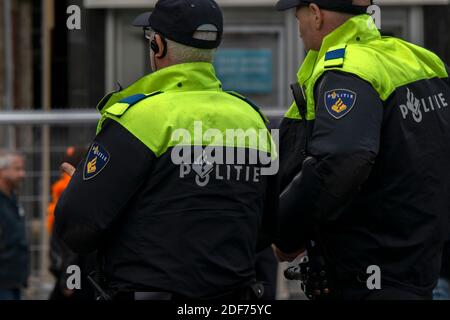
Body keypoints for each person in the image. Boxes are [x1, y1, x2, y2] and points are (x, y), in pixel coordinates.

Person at [55, 0, 277, 300]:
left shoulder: (138, 118)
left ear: (157, 45)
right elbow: (266, 225)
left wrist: (81, 190)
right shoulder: (253, 120)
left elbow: (77, 229)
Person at [274, 0, 450, 300]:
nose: (299, 28)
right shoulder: (420, 59)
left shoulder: (347, 70)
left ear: (316, 14)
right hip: (418, 267)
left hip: (366, 275)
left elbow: (340, 160)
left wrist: (287, 232)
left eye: (298, 15)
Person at [47, 146, 96, 300]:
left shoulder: (68, 191)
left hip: (76, 276)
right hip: (86, 274)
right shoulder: (90, 188)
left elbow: (72, 244)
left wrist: (69, 280)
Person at [0, 150, 28, 300]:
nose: (22, 174)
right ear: (2, 170)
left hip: (13, 281)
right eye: (17, 169)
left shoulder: (12, 199)